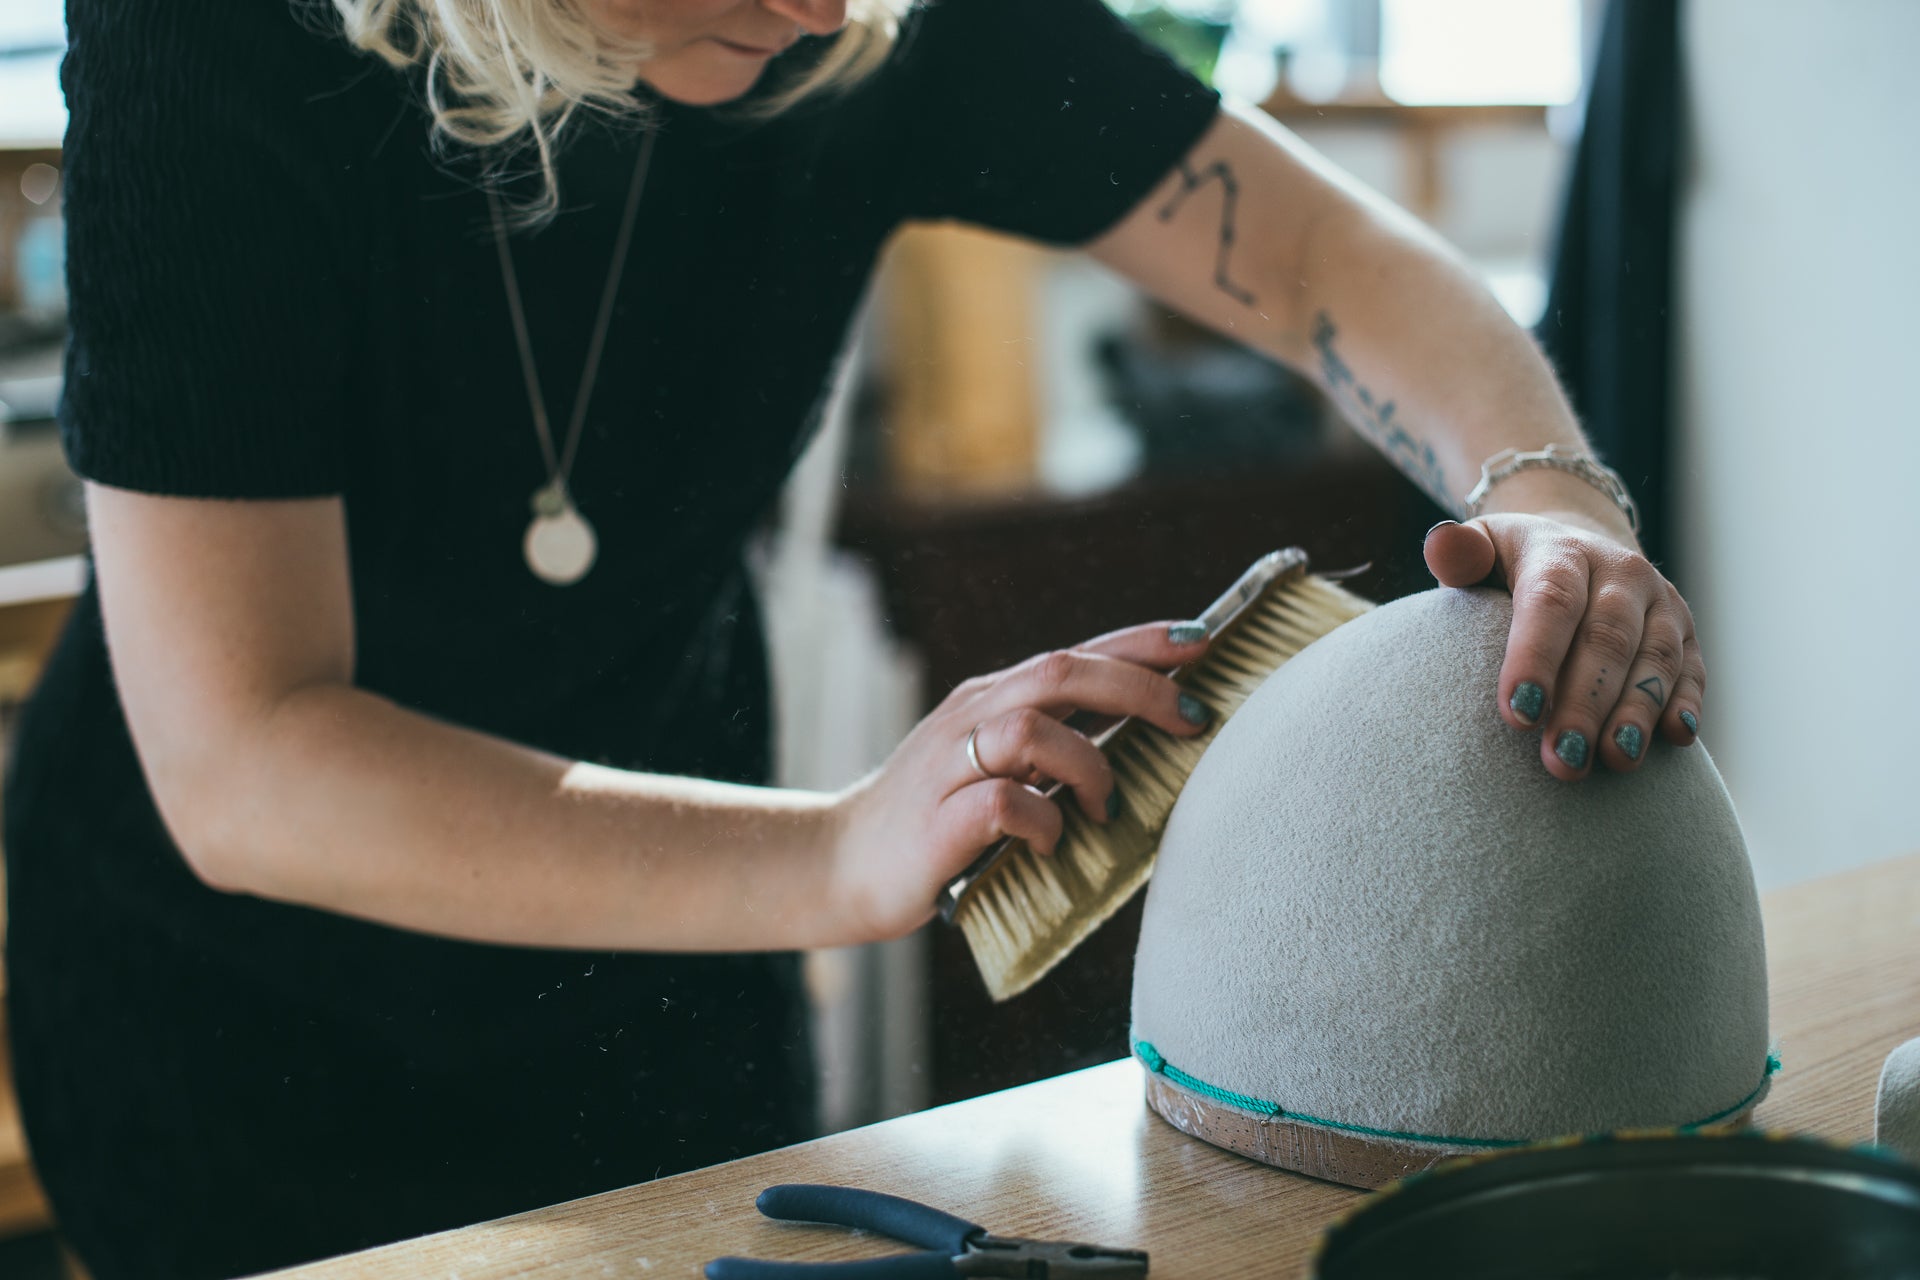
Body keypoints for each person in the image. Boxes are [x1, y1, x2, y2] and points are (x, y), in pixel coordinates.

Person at [2, 0, 1707, 1275]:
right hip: (231, 1029)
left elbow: (1321, 242)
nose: (826, 10)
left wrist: (1552, 493)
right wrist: (831, 855)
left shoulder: (866, 22)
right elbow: (246, 755)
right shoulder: (206, 36)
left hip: (657, 971)